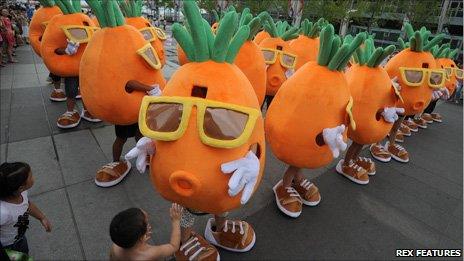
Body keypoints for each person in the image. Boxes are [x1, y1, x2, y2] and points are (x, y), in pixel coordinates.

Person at [95, 83, 161, 187]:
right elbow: (129, 83)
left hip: (137, 111)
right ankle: (116, 161)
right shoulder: (124, 71)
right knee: (121, 138)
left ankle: (144, 153)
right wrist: (151, 89)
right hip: (125, 112)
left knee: (140, 134)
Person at [0, 162, 52, 255]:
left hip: (19, 237)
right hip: (9, 246)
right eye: (31, 176)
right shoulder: (4, 212)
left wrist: (41, 217)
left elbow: (27, 204)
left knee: (24, 254)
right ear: (21, 187)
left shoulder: (21, 193)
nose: (33, 177)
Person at [109, 203, 182, 261]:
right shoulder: (149, 253)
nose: (149, 224)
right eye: (147, 223)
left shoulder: (117, 245)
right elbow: (173, 246)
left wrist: (140, 241)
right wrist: (176, 221)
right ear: (141, 237)